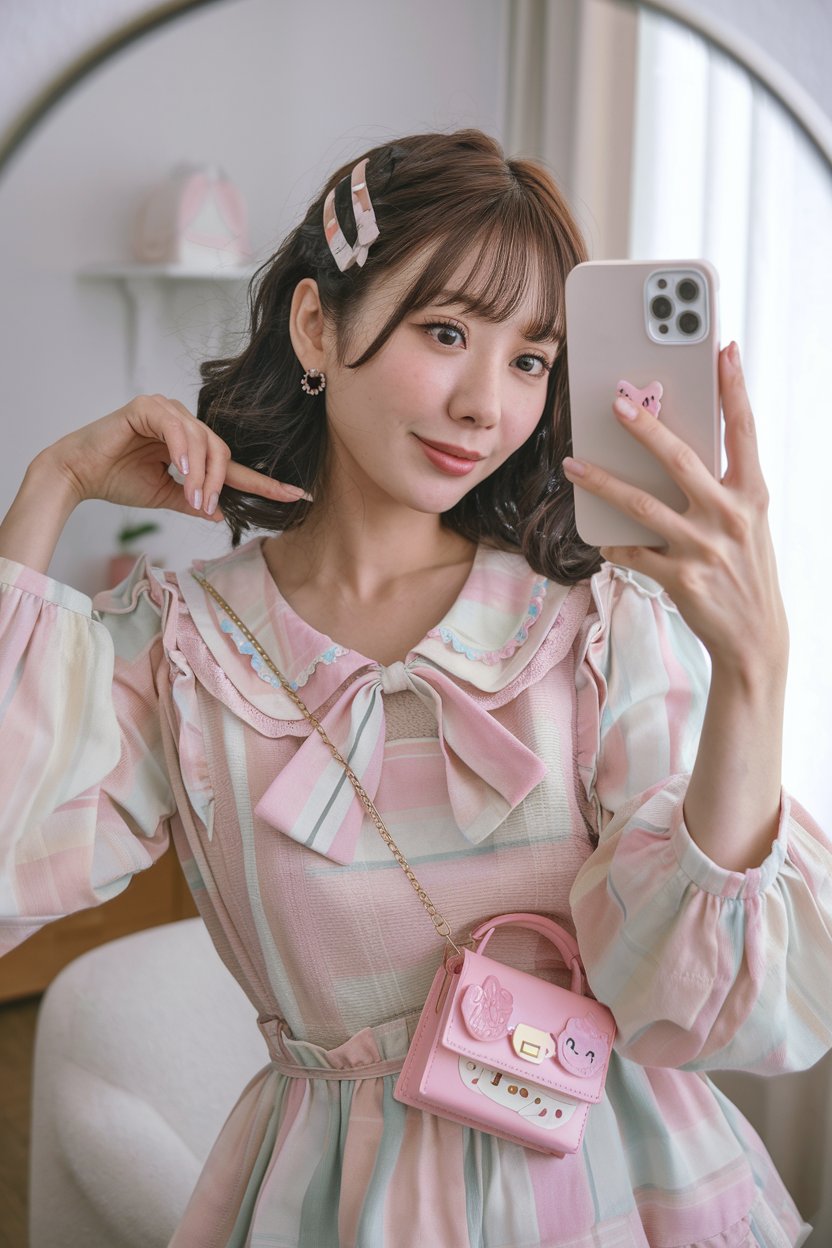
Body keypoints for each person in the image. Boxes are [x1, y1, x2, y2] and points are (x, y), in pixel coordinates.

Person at [0, 128, 829, 1248]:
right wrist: (50, 487)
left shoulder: (593, 626)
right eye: (445, 333)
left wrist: (754, 668)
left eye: (530, 360)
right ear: (315, 326)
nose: (487, 404)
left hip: (631, 1187)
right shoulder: (181, 650)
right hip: (342, 1204)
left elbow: (696, 999)